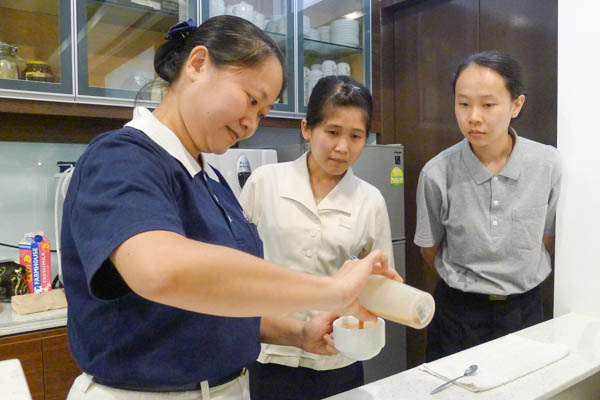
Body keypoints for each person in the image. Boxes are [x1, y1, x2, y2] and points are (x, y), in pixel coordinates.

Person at [61, 16, 400, 400]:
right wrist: (331, 291)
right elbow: (160, 269)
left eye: (261, 113)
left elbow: (217, 302)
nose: (250, 124)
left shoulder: (212, 182)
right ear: (198, 64)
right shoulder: (123, 157)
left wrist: (297, 332)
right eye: (251, 100)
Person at [239, 75, 396, 399]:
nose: (343, 147)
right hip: (269, 353)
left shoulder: (370, 200)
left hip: (338, 356)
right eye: (333, 132)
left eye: (356, 136)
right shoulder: (264, 182)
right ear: (307, 128)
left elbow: (380, 284)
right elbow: (239, 268)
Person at [415, 50, 562, 362]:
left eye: (488, 104)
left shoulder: (547, 164)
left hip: (524, 310)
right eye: (463, 103)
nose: (473, 117)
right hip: (458, 314)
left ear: (516, 104)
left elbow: (548, 239)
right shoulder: (437, 172)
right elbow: (430, 249)